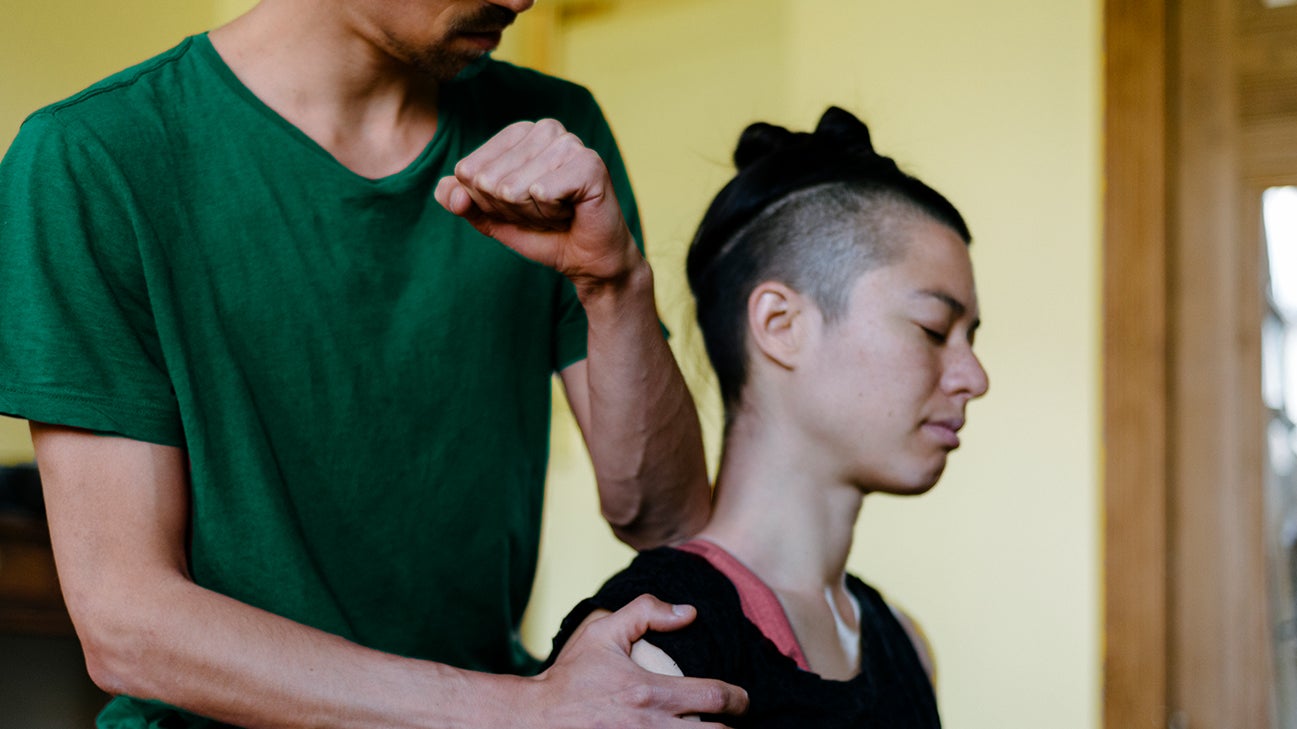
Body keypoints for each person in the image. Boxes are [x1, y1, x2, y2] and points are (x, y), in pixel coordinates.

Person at [0, 1, 749, 727]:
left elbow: (666, 520)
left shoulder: (551, 136)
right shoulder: (94, 155)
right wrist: (521, 709)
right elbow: (128, 623)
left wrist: (613, 284)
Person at [548, 107, 991, 727]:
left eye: (971, 337)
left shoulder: (905, 644)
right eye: (933, 329)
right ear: (781, 326)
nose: (975, 377)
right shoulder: (650, 651)